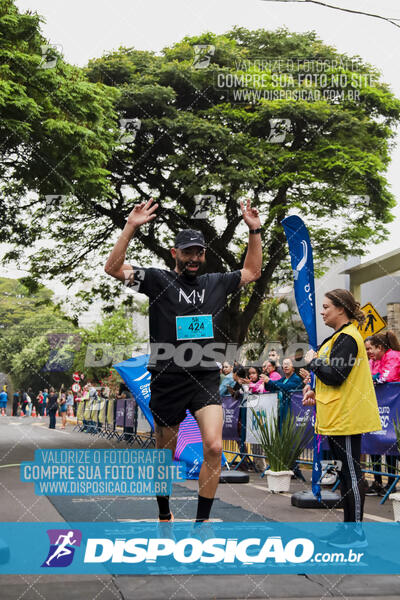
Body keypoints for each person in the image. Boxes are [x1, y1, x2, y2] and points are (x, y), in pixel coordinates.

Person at [105, 197, 262, 523]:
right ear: (175, 254)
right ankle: (164, 511)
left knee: (215, 447)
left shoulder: (215, 282)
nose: (194, 257)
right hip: (167, 378)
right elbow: (113, 269)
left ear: (204, 255)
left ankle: (202, 521)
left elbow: (252, 270)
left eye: (199, 252)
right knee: (165, 455)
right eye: (187, 251)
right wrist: (130, 227)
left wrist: (254, 231)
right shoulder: (157, 280)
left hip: (204, 376)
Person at [302, 289, 381, 545]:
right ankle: (348, 529)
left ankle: (356, 532)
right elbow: (333, 378)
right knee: (345, 474)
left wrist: (313, 362)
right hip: (337, 416)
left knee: (351, 473)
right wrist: (314, 390)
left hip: (346, 417)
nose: (322, 311)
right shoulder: (338, 337)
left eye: (326, 306)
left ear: (341, 308)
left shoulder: (348, 337)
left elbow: (336, 374)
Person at [365, 333, 400, 495]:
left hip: (393, 408)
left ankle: (391, 482)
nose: (368, 353)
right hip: (379, 409)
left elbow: (388, 376)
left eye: (369, 349)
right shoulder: (374, 361)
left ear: (380, 347)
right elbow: (368, 378)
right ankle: (378, 482)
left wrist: (375, 378)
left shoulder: (393, 355)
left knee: (391, 445)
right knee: (376, 443)